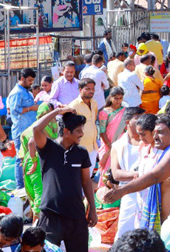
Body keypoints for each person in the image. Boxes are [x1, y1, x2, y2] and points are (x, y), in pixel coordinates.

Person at [104, 115, 170, 229]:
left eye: (160, 132)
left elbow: (154, 177)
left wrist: (122, 191)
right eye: (154, 132)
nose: (155, 136)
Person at [34, 107, 97, 252]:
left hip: (77, 215)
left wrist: (92, 209)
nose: (82, 134)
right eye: (79, 131)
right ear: (66, 131)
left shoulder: (81, 152)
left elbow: (86, 181)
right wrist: (57, 112)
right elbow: (37, 129)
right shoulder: (48, 148)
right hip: (51, 215)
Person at [110, 107, 146, 241]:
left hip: (148, 189)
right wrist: (138, 174)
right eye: (137, 118)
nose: (141, 122)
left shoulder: (149, 142)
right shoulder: (118, 145)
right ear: (127, 122)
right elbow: (116, 174)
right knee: (125, 230)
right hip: (128, 191)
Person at [6, 67, 37, 189]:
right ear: (22, 78)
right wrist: (31, 108)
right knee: (20, 159)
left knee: (30, 157)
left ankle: (28, 184)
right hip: (21, 131)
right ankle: (20, 187)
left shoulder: (26, 91)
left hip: (29, 130)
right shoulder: (16, 93)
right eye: (29, 80)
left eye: (32, 80)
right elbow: (14, 110)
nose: (31, 83)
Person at [68, 79, 99, 167]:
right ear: (80, 89)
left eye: (93, 89)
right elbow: (69, 127)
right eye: (88, 89)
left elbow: (93, 120)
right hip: (79, 147)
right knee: (77, 178)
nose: (91, 91)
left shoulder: (94, 103)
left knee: (88, 176)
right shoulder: (73, 106)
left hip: (92, 146)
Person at [98, 87, 127, 177]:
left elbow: (126, 129)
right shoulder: (105, 112)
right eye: (116, 98)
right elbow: (102, 132)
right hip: (108, 144)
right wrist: (110, 146)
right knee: (106, 172)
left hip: (121, 143)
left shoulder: (125, 111)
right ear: (110, 97)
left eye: (120, 98)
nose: (118, 101)